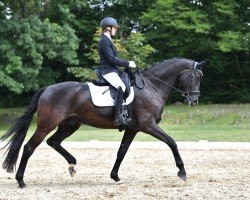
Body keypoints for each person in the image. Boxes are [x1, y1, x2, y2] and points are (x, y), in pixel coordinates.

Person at [98, 16, 136, 126]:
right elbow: (111, 59)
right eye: (115, 28)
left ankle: (124, 111)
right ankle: (118, 116)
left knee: (128, 79)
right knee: (121, 86)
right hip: (107, 71)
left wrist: (127, 66)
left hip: (113, 70)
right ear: (108, 28)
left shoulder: (108, 40)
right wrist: (128, 63)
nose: (116, 29)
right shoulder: (104, 41)